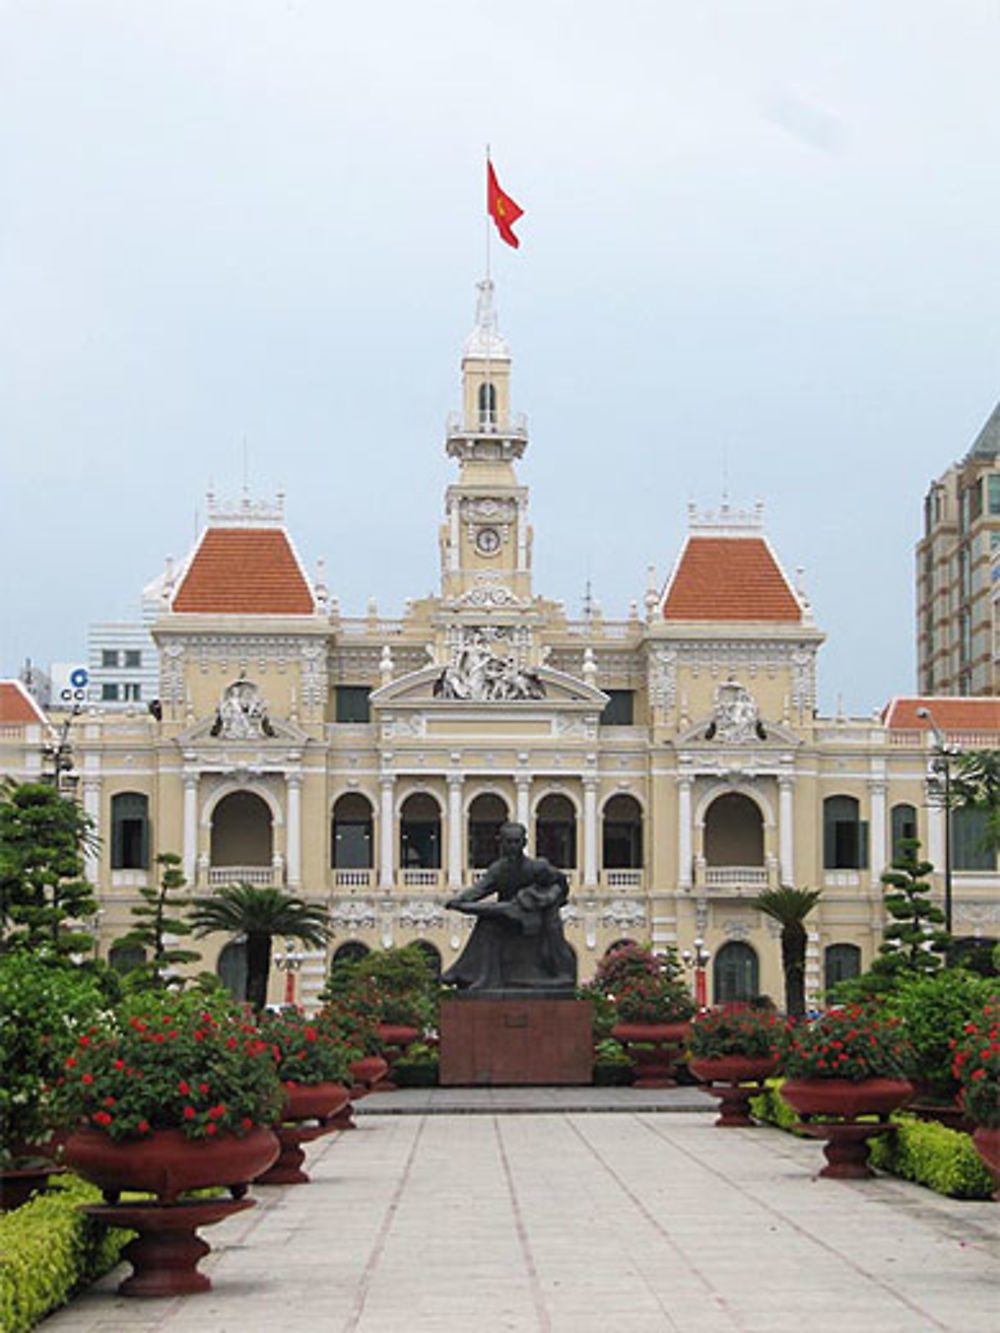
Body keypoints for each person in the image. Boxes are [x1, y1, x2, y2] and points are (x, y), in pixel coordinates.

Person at [442, 821, 577, 992]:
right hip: (508, 915)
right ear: (501, 843)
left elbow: (560, 883)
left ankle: (562, 973)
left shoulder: (537, 867)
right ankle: (477, 977)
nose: (513, 846)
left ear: (524, 843)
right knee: (486, 924)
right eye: (509, 842)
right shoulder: (498, 870)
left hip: (539, 917)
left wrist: (549, 898)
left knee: (553, 927)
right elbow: (480, 889)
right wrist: (459, 901)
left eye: (516, 841)